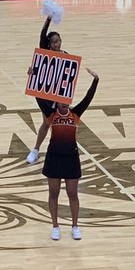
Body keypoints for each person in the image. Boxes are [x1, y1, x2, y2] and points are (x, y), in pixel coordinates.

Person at [34, 67, 100, 241]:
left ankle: (75, 226)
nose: (64, 103)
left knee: (73, 194)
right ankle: (55, 226)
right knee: (53, 194)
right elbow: (38, 97)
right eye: (61, 100)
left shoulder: (75, 114)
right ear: (56, 102)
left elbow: (88, 98)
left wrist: (95, 81)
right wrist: (33, 76)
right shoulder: (51, 115)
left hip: (71, 158)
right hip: (54, 158)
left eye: (66, 100)